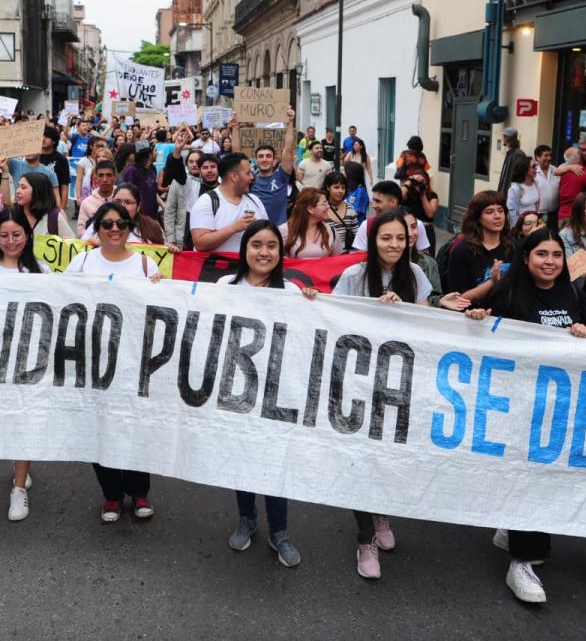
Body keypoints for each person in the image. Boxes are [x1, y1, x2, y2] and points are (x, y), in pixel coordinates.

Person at [464, 227, 586, 603]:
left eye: (556, 255)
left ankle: (512, 527)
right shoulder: (508, 293)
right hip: (517, 402)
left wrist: (582, 332)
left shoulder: (572, 294)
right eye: (541, 254)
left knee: (545, 476)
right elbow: (485, 331)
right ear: (526, 257)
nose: (550, 262)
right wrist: (477, 317)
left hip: (557, 404)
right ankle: (522, 562)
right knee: (527, 473)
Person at [332, 210, 434, 578]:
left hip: (400, 386)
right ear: (372, 241)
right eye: (385, 238)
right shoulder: (353, 276)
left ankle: (381, 513)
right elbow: (334, 320)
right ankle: (365, 540)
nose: (393, 245)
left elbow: (428, 326)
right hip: (360, 383)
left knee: (389, 459)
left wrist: (406, 310)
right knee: (362, 460)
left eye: (400, 239)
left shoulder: (417, 275)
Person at [218, 220, 317, 567]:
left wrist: (313, 305)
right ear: (244, 249)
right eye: (256, 244)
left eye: (271, 246)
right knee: (242, 460)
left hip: (278, 395)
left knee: (276, 463)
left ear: (280, 252)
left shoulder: (292, 292)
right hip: (237, 394)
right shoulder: (224, 286)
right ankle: (247, 519)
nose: (264, 252)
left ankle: (280, 532)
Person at [65, 200, 160, 523]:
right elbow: (62, 302)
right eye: (107, 224)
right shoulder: (81, 263)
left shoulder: (147, 266)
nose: (115, 229)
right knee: (100, 427)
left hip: (134, 363)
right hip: (93, 362)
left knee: (135, 426)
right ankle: (111, 495)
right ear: (97, 228)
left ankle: (139, 490)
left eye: (121, 223)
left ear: (130, 227)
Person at [0, 209, 50, 522]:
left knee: (26, 419)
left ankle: (19, 487)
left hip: (30, 361)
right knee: (5, 418)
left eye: (16, 234)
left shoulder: (42, 271)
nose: (10, 241)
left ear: (27, 236)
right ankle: (17, 462)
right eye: (3, 235)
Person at [441, 191, 514, 304]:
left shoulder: (514, 247)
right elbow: (457, 299)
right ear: (478, 218)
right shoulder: (462, 251)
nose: (498, 216)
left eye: (501, 210)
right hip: (472, 316)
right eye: (490, 212)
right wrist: (492, 282)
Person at [189, 152, 267, 253]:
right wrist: (233, 228)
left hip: (248, 268)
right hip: (217, 267)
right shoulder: (206, 202)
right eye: (248, 173)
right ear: (234, 177)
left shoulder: (255, 200)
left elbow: (267, 233)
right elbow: (200, 244)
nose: (251, 177)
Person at [235, 107, 296, 226]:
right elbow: (236, 153)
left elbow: (288, 148)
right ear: (256, 160)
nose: (264, 159)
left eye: (268, 156)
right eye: (261, 156)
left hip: (279, 230)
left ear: (274, 160)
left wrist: (290, 122)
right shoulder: (249, 179)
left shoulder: (281, 176)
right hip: (255, 229)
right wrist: (235, 127)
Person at [82, 184, 165, 246]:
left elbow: (165, 254)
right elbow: (81, 247)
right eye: (117, 201)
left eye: (128, 202)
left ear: (138, 206)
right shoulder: (99, 223)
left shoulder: (153, 226)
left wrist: (171, 250)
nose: (122, 206)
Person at [280, 188, 343, 259]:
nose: (328, 207)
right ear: (310, 209)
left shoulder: (330, 231)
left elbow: (339, 260)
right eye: (324, 203)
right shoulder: (285, 230)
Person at [7, 171, 73, 238]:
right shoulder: (14, 215)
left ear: (38, 191)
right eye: (18, 186)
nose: (18, 191)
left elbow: (73, 244)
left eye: (23, 187)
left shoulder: (54, 217)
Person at [556, 146, 586, 222]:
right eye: (580, 152)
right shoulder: (585, 173)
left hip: (562, 216)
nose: (583, 153)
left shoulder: (564, 173)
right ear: (579, 157)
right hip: (577, 217)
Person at [118, 143, 160, 220]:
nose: (157, 153)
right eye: (155, 151)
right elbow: (127, 194)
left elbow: (153, 192)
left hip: (151, 215)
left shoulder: (153, 170)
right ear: (149, 155)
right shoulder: (132, 171)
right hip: (136, 217)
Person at [36, 125, 72, 210]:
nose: (43, 139)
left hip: (54, 204)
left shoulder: (61, 159)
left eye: (47, 137)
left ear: (54, 141)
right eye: (42, 136)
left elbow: (64, 186)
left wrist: (62, 209)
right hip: (35, 203)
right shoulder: (35, 157)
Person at [323, 172, 359, 253]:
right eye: (336, 187)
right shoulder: (321, 208)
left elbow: (357, 234)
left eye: (343, 188)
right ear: (328, 187)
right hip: (325, 255)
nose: (340, 191)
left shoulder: (350, 208)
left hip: (345, 255)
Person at [496, 127, 530, 195]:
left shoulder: (518, 154)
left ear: (507, 138)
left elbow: (519, 175)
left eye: (504, 136)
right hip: (506, 191)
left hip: (511, 192)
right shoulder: (510, 153)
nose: (502, 138)